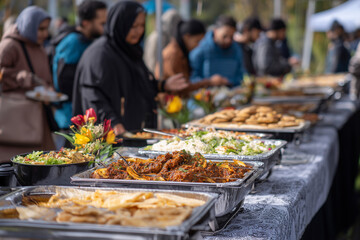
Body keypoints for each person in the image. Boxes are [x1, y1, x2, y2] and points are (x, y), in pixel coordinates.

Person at [73, 1, 188, 135]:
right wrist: (113, 121)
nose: (139, 31)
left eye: (141, 25)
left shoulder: (130, 49)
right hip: (112, 137)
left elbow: (139, 83)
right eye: (133, 26)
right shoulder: (100, 54)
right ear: (120, 24)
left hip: (134, 132)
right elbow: (93, 94)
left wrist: (162, 85)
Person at [0, 6, 54, 162]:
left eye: (46, 29)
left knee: (42, 162)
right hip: (16, 120)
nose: (45, 33)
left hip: (38, 118)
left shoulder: (38, 45)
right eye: (40, 28)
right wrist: (24, 78)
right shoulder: (10, 45)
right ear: (29, 25)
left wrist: (48, 89)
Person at [52, 1, 107, 129]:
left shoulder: (88, 40)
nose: (106, 27)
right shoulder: (74, 42)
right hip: (70, 117)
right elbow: (64, 81)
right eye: (102, 23)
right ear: (85, 23)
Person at [154, 19, 227, 96]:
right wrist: (209, 82)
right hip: (169, 102)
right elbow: (181, 87)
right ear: (187, 37)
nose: (198, 45)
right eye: (197, 41)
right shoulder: (173, 54)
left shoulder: (180, 52)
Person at [189, 15, 242, 87]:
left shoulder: (236, 49)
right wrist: (209, 82)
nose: (228, 40)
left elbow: (242, 75)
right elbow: (191, 78)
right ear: (215, 31)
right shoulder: (200, 48)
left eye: (231, 37)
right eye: (224, 36)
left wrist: (229, 81)